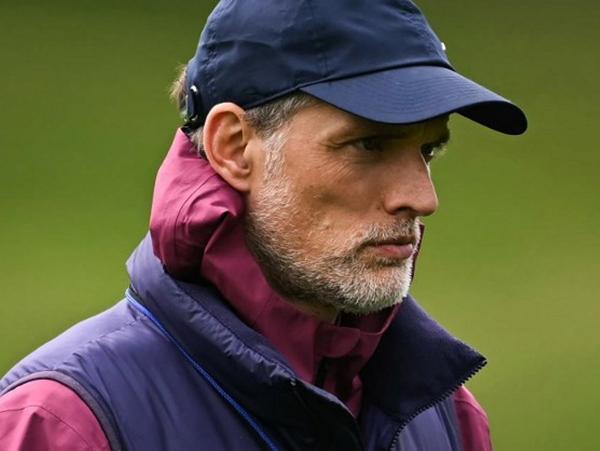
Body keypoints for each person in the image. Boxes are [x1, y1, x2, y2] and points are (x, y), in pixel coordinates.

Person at [0, 0, 527, 449]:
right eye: (369, 144)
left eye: (428, 149)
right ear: (232, 147)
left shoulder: (447, 419)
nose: (422, 197)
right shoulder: (64, 423)